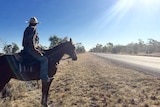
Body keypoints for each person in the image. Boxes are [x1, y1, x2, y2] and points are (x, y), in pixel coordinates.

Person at [22, 17, 52, 83]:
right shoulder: (33, 29)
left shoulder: (27, 29)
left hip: (26, 48)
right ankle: (44, 77)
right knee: (44, 60)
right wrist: (35, 49)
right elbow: (31, 40)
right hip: (30, 49)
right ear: (35, 24)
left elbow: (24, 42)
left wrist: (38, 47)